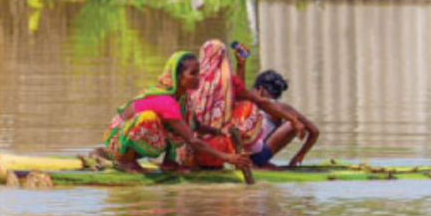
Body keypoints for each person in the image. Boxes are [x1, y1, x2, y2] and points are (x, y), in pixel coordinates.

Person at [102, 51, 252, 174]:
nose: (198, 78)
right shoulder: (166, 100)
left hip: (133, 138)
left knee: (181, 125)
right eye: (193, 74)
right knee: (149, 119)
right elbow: (192, 140)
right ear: (179, 77)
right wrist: (228, 158)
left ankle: (170, 162)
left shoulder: (183, 98)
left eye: (198, 73)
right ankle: (126, 160)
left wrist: (219, 131)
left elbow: (195, 125)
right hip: (117, 142)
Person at [185, 40, 305, 169]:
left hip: (190, 150)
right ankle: (245, 162)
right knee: (248, 107)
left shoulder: (190, 80)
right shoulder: (228, 80)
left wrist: (241, 65)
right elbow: (258, 101)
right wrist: (293, 119)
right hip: (219, 150)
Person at [249, 70, 320, 168]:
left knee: (292, 124)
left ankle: (258, 164)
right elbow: (314, 131)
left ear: (260, 90)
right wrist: (300, 155)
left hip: (249, 154)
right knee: (293, 123)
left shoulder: (250, 103)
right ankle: (259, 164)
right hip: (254, 155)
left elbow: (314, 131)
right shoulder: (282, 107)